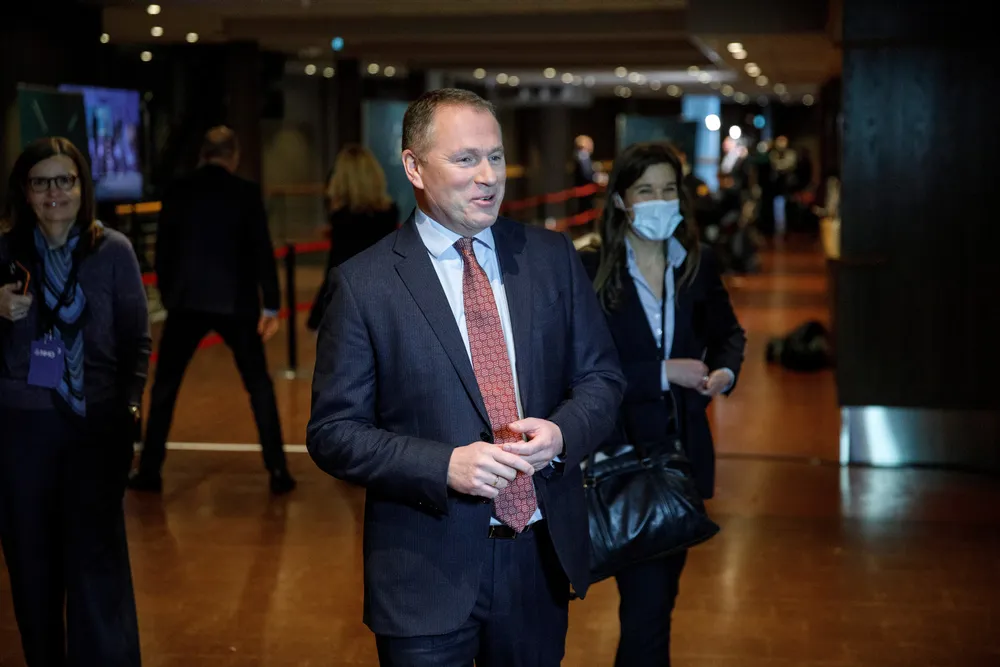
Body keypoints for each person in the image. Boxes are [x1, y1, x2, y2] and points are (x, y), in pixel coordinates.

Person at [307, 88, 625, 667]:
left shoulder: (551, 258)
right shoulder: (364, 285)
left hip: (537, 562)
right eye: (466, 159)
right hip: (425, 572)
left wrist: (561, 434)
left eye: (495, 156)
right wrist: (443, 465)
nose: (489, 176)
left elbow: (602, 377)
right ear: (414, 167)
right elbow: (333, 432)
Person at [580, 142, 746, 667]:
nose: (658, 201)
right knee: (647, 611)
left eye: (668, 190)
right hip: (615, 460)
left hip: (679, 459)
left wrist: (725, 372)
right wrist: (661, 373)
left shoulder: (696, 263)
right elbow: (579, 370)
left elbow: (729, 334)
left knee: (653, 607)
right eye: (645, 190)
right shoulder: (591, 268)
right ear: (622, 200)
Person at [0, 137, 148, 665]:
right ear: (25, 191)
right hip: (21, 435)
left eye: (65, 180)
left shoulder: (113, 251)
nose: (54, 192)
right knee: (32, 571)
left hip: (95, 432)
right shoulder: (5, 254)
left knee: (96, 575)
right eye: (41, 182)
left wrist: (130, 412)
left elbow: (136, 341)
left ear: (83, 188)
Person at [128, 126, 296, 495]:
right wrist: (270, 304)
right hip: (237, 304)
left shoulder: (178, 189)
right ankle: (278, 470)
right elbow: (261, 250)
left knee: (165, 388)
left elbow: (164, 249)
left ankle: (150, 471)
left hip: (186, 303)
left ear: (203, 154)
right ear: (233, 156)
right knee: (258, 386)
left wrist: (169, 295)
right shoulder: (246, 192)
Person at [306, 143, 399, 331]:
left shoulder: (343, 219)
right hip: (385, 301)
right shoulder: (390, 213)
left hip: (350, 306)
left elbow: (337, 267)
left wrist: (317, 314)